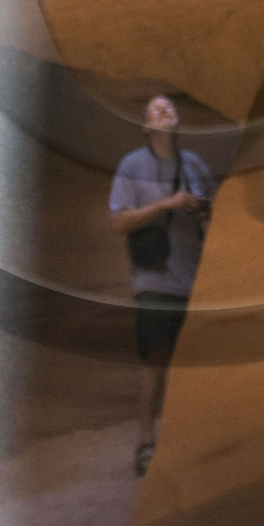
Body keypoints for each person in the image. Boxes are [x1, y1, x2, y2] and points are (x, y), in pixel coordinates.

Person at [109, 94, 215, 478]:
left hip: (195, 280)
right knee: (155, 359)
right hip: (153, 278)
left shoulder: (196, 165)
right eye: (156, 110)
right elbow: (118, 222)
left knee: (190, 364)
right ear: (146, 126)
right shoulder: (131, 166)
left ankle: (184, 436)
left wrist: (198, 208)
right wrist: (165, 205)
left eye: (170, 107)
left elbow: (217, 217)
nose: (164, 111)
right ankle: (146, 441)